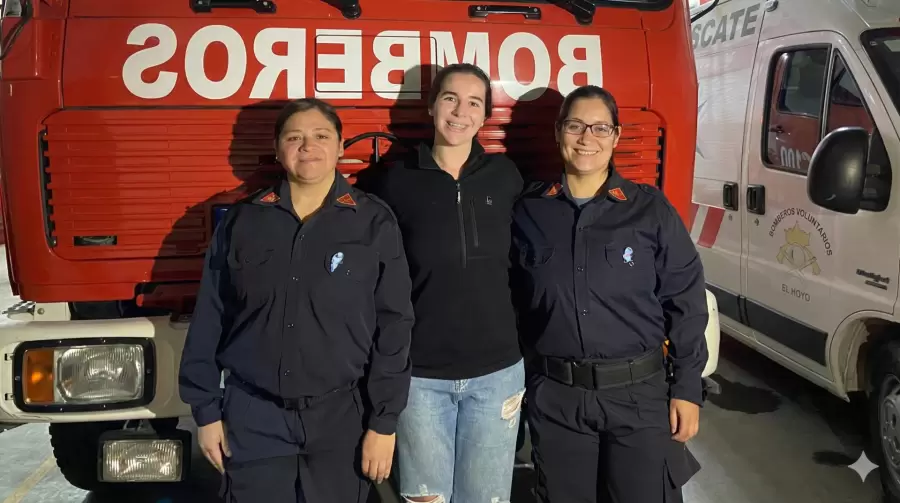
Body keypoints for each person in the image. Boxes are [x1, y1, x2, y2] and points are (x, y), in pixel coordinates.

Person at [178, 98, 415, 503]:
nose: (308, 146)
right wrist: (206, 411)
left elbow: (394, 324)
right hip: (253, 418)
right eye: (295, 137)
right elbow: (210, 317)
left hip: (342, 417)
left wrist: (384, 423)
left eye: (321, 136)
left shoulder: (374, 222)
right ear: (277, 149)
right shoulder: (243, 221)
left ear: (341, 147)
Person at [510, 85, 708, 503]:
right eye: (576, 125)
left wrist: (688, 390)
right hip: (557, 398)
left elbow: (686, 300)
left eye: (600, 127)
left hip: (638, 397)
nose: (587, 138)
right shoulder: (527, 209)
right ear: (558, 132)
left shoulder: (648, 209)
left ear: (616, 137)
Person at [355, 63, 525, 502]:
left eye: (474, 103)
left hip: (497, 376)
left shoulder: (507, 179)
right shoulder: (393, 182)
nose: (459, 111)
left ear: (486, 115)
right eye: (450, 98)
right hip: (419, 379)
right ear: (431, 106)